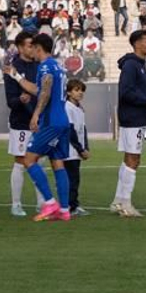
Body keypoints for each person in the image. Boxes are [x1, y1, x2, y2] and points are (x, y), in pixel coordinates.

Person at [14, 32, 74, 221]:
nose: (30, 50)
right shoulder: (59, 66)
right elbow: (38, 89)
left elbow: (45, 92)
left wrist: (36, 114)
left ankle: (49, 203)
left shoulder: (45, 66)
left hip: (50, 121)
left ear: (38, 48)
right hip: (63, 120)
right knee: (58, 163)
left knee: (28, 159)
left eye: (32, 46)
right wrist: (16, 76)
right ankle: (64, 210)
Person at [112, 28, 146, 218]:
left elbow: (137, 91)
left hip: (133, 117)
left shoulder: (138, 64)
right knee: (133, 159)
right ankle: (126, 203)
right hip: (132, 118)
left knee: (129, 159)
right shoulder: (132, 65)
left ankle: (118, 200)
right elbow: (126, 92)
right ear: (137, 44)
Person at [2, 30, 41, 217]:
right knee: (20, 161)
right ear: (19, 47)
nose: (32, 48)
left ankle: (42, 202)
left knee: (37, 161)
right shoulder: (12, 68)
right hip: (21, 122)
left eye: (34, 45)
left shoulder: (39, 65)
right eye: (28, 45)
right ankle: (16, 204)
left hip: (39, 121)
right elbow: (10, 100)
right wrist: (21, 99)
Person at [64, 78, 90, 216]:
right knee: (71, 180)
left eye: (81, 90)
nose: (80, 93)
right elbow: (70, 131)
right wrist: (80, 149)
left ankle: (73, 204)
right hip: (69, 150)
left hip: (77, 150)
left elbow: (83, 129)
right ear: (69, 92)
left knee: (75, 179)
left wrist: (86, 148)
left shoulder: (79, 108)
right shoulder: (67, 107)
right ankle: (70, 206)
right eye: (76, 90)